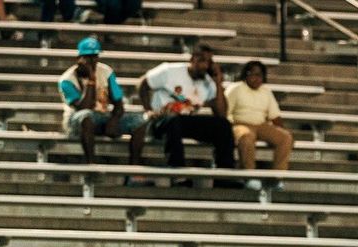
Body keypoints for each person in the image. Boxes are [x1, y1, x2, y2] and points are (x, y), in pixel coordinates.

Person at [138, 43, 236, 183]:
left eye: (209, 62)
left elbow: (221, 113)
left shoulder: (208, 83)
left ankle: (225, 176)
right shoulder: (169, 71)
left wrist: (218, 83)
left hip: (185, 121)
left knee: (223, 125)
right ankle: (178, 172)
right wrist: (148, 110)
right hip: (162, 119)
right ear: (192, 59)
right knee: (173, 120)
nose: (205, 66)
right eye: (202, 60)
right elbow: (142, 84)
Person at [58, 37, 147, 167]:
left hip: (102, 116)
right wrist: (91, 79)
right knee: (86, 116)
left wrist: (114, 120)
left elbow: (118, 102)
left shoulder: (106, 71)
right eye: (88, 57)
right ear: (79, 59)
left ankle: (134, 170)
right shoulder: (66, 80)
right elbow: (84, 107)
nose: (92, 61)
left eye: (95, 56)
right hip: (77, 121)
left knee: (139, 121)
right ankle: (91, 164)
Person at [225, 60, 294, 190]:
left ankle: (277, 178)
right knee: (246, 136)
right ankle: (250, 176)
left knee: (285, 138)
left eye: (260, 75)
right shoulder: (235, 88)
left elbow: (274, 116)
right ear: (246, 74)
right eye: (253, 74)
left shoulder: (266, 92)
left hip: (261, 124)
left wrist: (283, 131)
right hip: (239, 123)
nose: (257, 78)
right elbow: (225, 112)